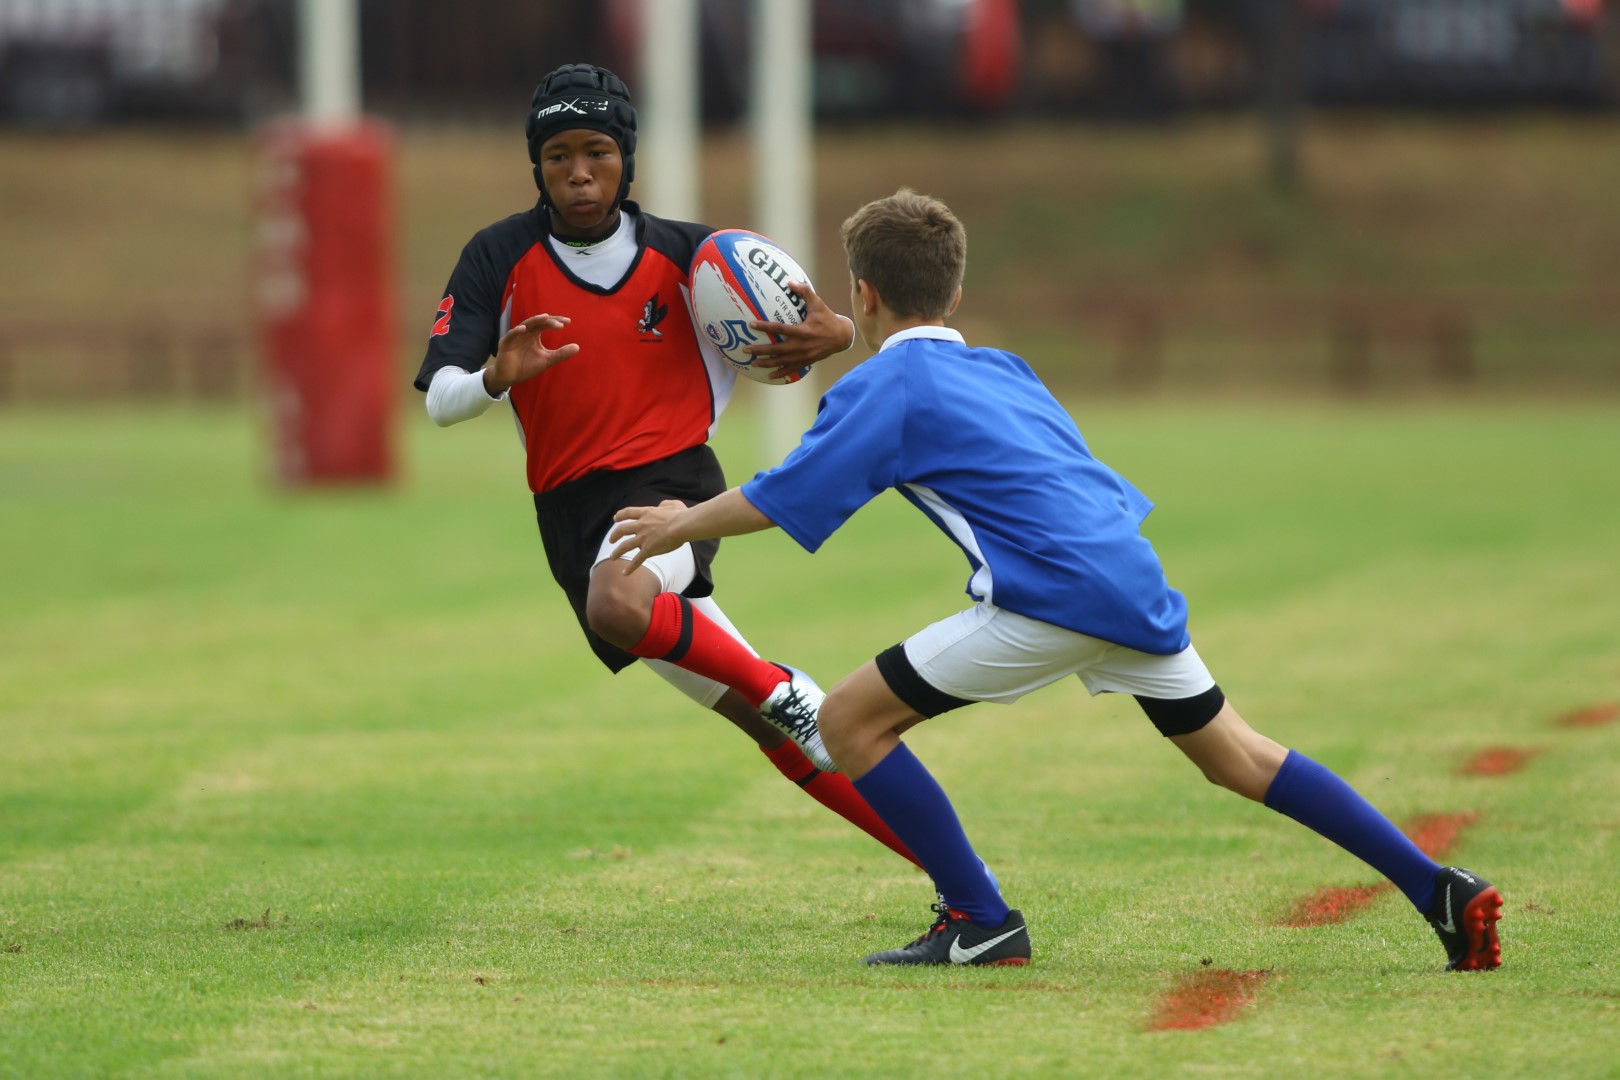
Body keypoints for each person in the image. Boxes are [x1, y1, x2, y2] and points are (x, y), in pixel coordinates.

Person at [607, 189, 1504, 971]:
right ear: (957, 294)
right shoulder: (1002, 367)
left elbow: (783, 495)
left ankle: (979, 920)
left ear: (864, 293)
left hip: (1052, 596)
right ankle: (1437, 886)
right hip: (1132, 579)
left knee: (845, 721)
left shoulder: (888, 388)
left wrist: (677, 521)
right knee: (1240, 756)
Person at [412, 63, 921, 872]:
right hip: (569, 516)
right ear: (537, 165)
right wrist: (492, 379)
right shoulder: (497, 255)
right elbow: (441, 400)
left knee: (620, 606)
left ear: (627, 158)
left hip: (673, 493)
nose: (579, 173)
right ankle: (963, 884)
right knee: (772, 726)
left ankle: (779, 685)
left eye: (598, 152)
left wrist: (837, 336)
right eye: (558, 156)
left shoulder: (699, 258)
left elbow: (821, 325)